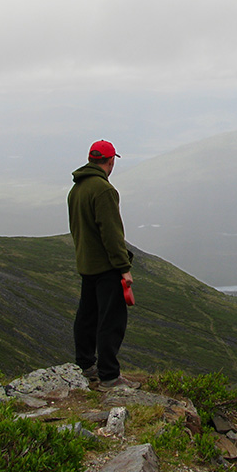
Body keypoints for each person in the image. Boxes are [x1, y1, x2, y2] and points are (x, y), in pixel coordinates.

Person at [68, 140, 138, 389]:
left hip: (87, 266)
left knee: (87, 317)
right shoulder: (104, 191)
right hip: (107, 268)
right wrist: (123, 268)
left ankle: (86, 366)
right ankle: (109, 376)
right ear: (110, 162)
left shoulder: (77, 189)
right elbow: (111, 234)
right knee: (111, 321)